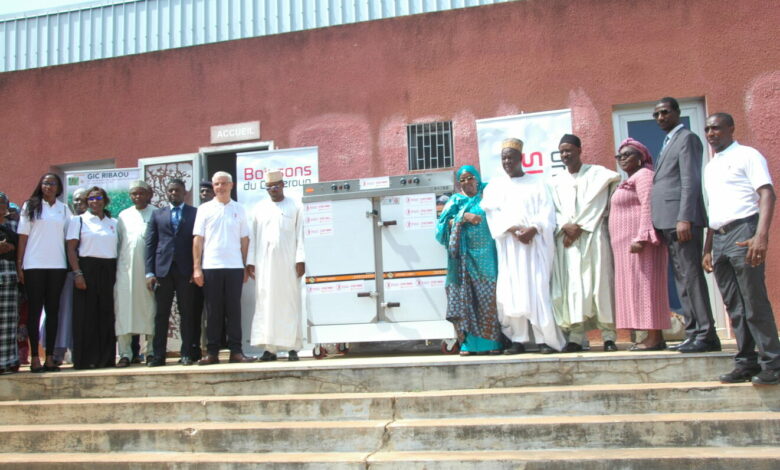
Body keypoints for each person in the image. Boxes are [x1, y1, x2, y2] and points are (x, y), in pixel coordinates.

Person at [701, 113, 780, 386]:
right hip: (719, 238)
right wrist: (708, 247)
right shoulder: (711, 166)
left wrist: (761, 235)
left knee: (754, 301)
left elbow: (767, 193)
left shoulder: (748, 155)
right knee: (733, 306)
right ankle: (746, 361)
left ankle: (772, 363)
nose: (711, 134)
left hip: (744, 232)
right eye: (708, 129)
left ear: (731, 129)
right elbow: (715, 209)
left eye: (716, 128)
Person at [481, 138, 566, 354]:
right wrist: (512, 229)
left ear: (521, 158)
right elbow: (492, 213)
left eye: (511, 157)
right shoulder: (495, 186)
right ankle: (517, 340)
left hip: (534, 245)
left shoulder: (537, 183)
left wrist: (534, 228)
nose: (507, 161)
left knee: (537, 291)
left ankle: (544, 339)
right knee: (511, 293)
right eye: (504, 158)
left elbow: (547, 213)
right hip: (510, 247)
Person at [652, 97, 719, 353]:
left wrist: (685, 217)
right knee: (682, 279)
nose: (660, 118)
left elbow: (690, 180)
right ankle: (693, 333)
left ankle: (706, 334)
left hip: (682, 221)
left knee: (691, 276)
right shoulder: (668, 141)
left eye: (665, 112)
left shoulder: (687, 138)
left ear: (677, 113)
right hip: (668, 221)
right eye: (656, 114)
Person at [550, 134, 620, 352]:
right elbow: (552, 210)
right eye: (562, 151)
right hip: (567, 242)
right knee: (573, 287)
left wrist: (578, 226)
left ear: (580, 150)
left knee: (599, 285)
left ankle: (609, 336)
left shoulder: (597, 174)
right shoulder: (555, 181)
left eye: (569, 150)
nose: (565, 155)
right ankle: (576, 336)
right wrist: (565, 225)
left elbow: (598, 201)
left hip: (593, 236)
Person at [610, 138, 671, 350]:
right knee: (636, 289)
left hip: (641, 245)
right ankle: (650, 336)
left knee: (647, 288)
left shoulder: (644, 175)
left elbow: (648, 205)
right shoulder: (628, 179)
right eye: (619, 156)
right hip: (626, 248)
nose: (622, 159)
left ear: (641, 157)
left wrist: (641, 236)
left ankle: (654, 338)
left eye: (628, 154)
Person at [436, 165, 503, 355]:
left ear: (477, 178)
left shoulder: (488, 194)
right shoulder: (456, 200)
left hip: (487, 257)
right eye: (462, 180)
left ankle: (493, 343)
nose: (467, 183)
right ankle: (469, 344)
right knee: (466, 297)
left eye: (470, 178)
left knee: (488, 297)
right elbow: (441, 226)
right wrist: (462, 217)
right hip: (464, 259)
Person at [193, 171, 255, 365]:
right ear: (213, 187)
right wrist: (197, 268)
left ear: (231, 185)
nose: (220, 187)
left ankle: (236, 351)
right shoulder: (204, 209)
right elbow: (198, 239)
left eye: (223, 183)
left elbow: (245, 240)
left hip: (235, 267)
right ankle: (212, 353)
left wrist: (245, 266)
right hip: (211, 267)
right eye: (216, 184)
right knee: (213, 312)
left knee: (234, 310)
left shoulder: (240, 209)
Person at [247, 171, 306, 361]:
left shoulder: (295, 205)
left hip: (288, 264)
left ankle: (292, 348)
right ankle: (270, 349)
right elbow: (253, 237)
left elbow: (301, 235)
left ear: (283, 185)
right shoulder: (259, 208)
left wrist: (300, 259)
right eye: (269, 187)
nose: (273, 190)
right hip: (264, 265)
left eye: (276, 186)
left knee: (289, 303)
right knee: (266, 304)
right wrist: (250, 262)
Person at [16, 173, 72, 372]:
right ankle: (34, 358)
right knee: (34, 311)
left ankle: (49, 357)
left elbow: (70, 238)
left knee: (53, 312)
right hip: (33, 266)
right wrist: (19, 265)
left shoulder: (64, 209)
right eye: (46, 183)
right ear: (41, 186)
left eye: (53, 183)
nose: (49, 186)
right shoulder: (30, 206)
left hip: (57, 266)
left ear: (59, 187)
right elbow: (23, 237)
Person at [145, 179, 201, 366]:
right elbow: (150, 244)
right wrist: (149, 272)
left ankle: (186, 353)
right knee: (161, 314)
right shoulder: (157, 214)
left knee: (187, 313)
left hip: (186, 271)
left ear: (184, 192)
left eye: (177, 190)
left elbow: (199, 242)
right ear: (166, 193)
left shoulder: (195, 213)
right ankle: (159, 355)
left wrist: (196, 268)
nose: (173, 193)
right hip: (163, 270)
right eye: (170, 191)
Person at [66, 186, 118, 369]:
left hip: (109, 271)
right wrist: (77, 273)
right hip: (86, 270)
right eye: (91, 199)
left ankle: (106, 359)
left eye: (98, 198)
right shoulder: (78, 221)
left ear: (105, 200)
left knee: (106, 315)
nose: (94, 201)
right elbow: (71, 249)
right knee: (85, 316)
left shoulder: (114, 222)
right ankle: (84, 359)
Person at [114, 181, 156, 367]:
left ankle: (151, 352)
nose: (137, 197)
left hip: (148, 274)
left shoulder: (156, 213)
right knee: (124, 312)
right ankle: (125, 354)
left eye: (141, 193)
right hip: (126, 273)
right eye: (133, 194)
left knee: (150, 311)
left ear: (149, 194)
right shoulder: (123, 216)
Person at [52, 188, 89, 365]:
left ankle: (79, 352)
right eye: (75, 200)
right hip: (67, 274)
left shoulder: (92, 221)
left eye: (83, 199)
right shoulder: (66, 220)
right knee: (64, 314)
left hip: (90, 275)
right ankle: (57, 353)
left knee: (82, 315)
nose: (79, 203)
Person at [0, 193, 20, 374]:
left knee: (7, 323)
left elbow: (22, 248)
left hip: (8, 278)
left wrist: (11, 248)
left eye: (2, 203)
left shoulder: (14, 225)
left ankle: (6, 362)